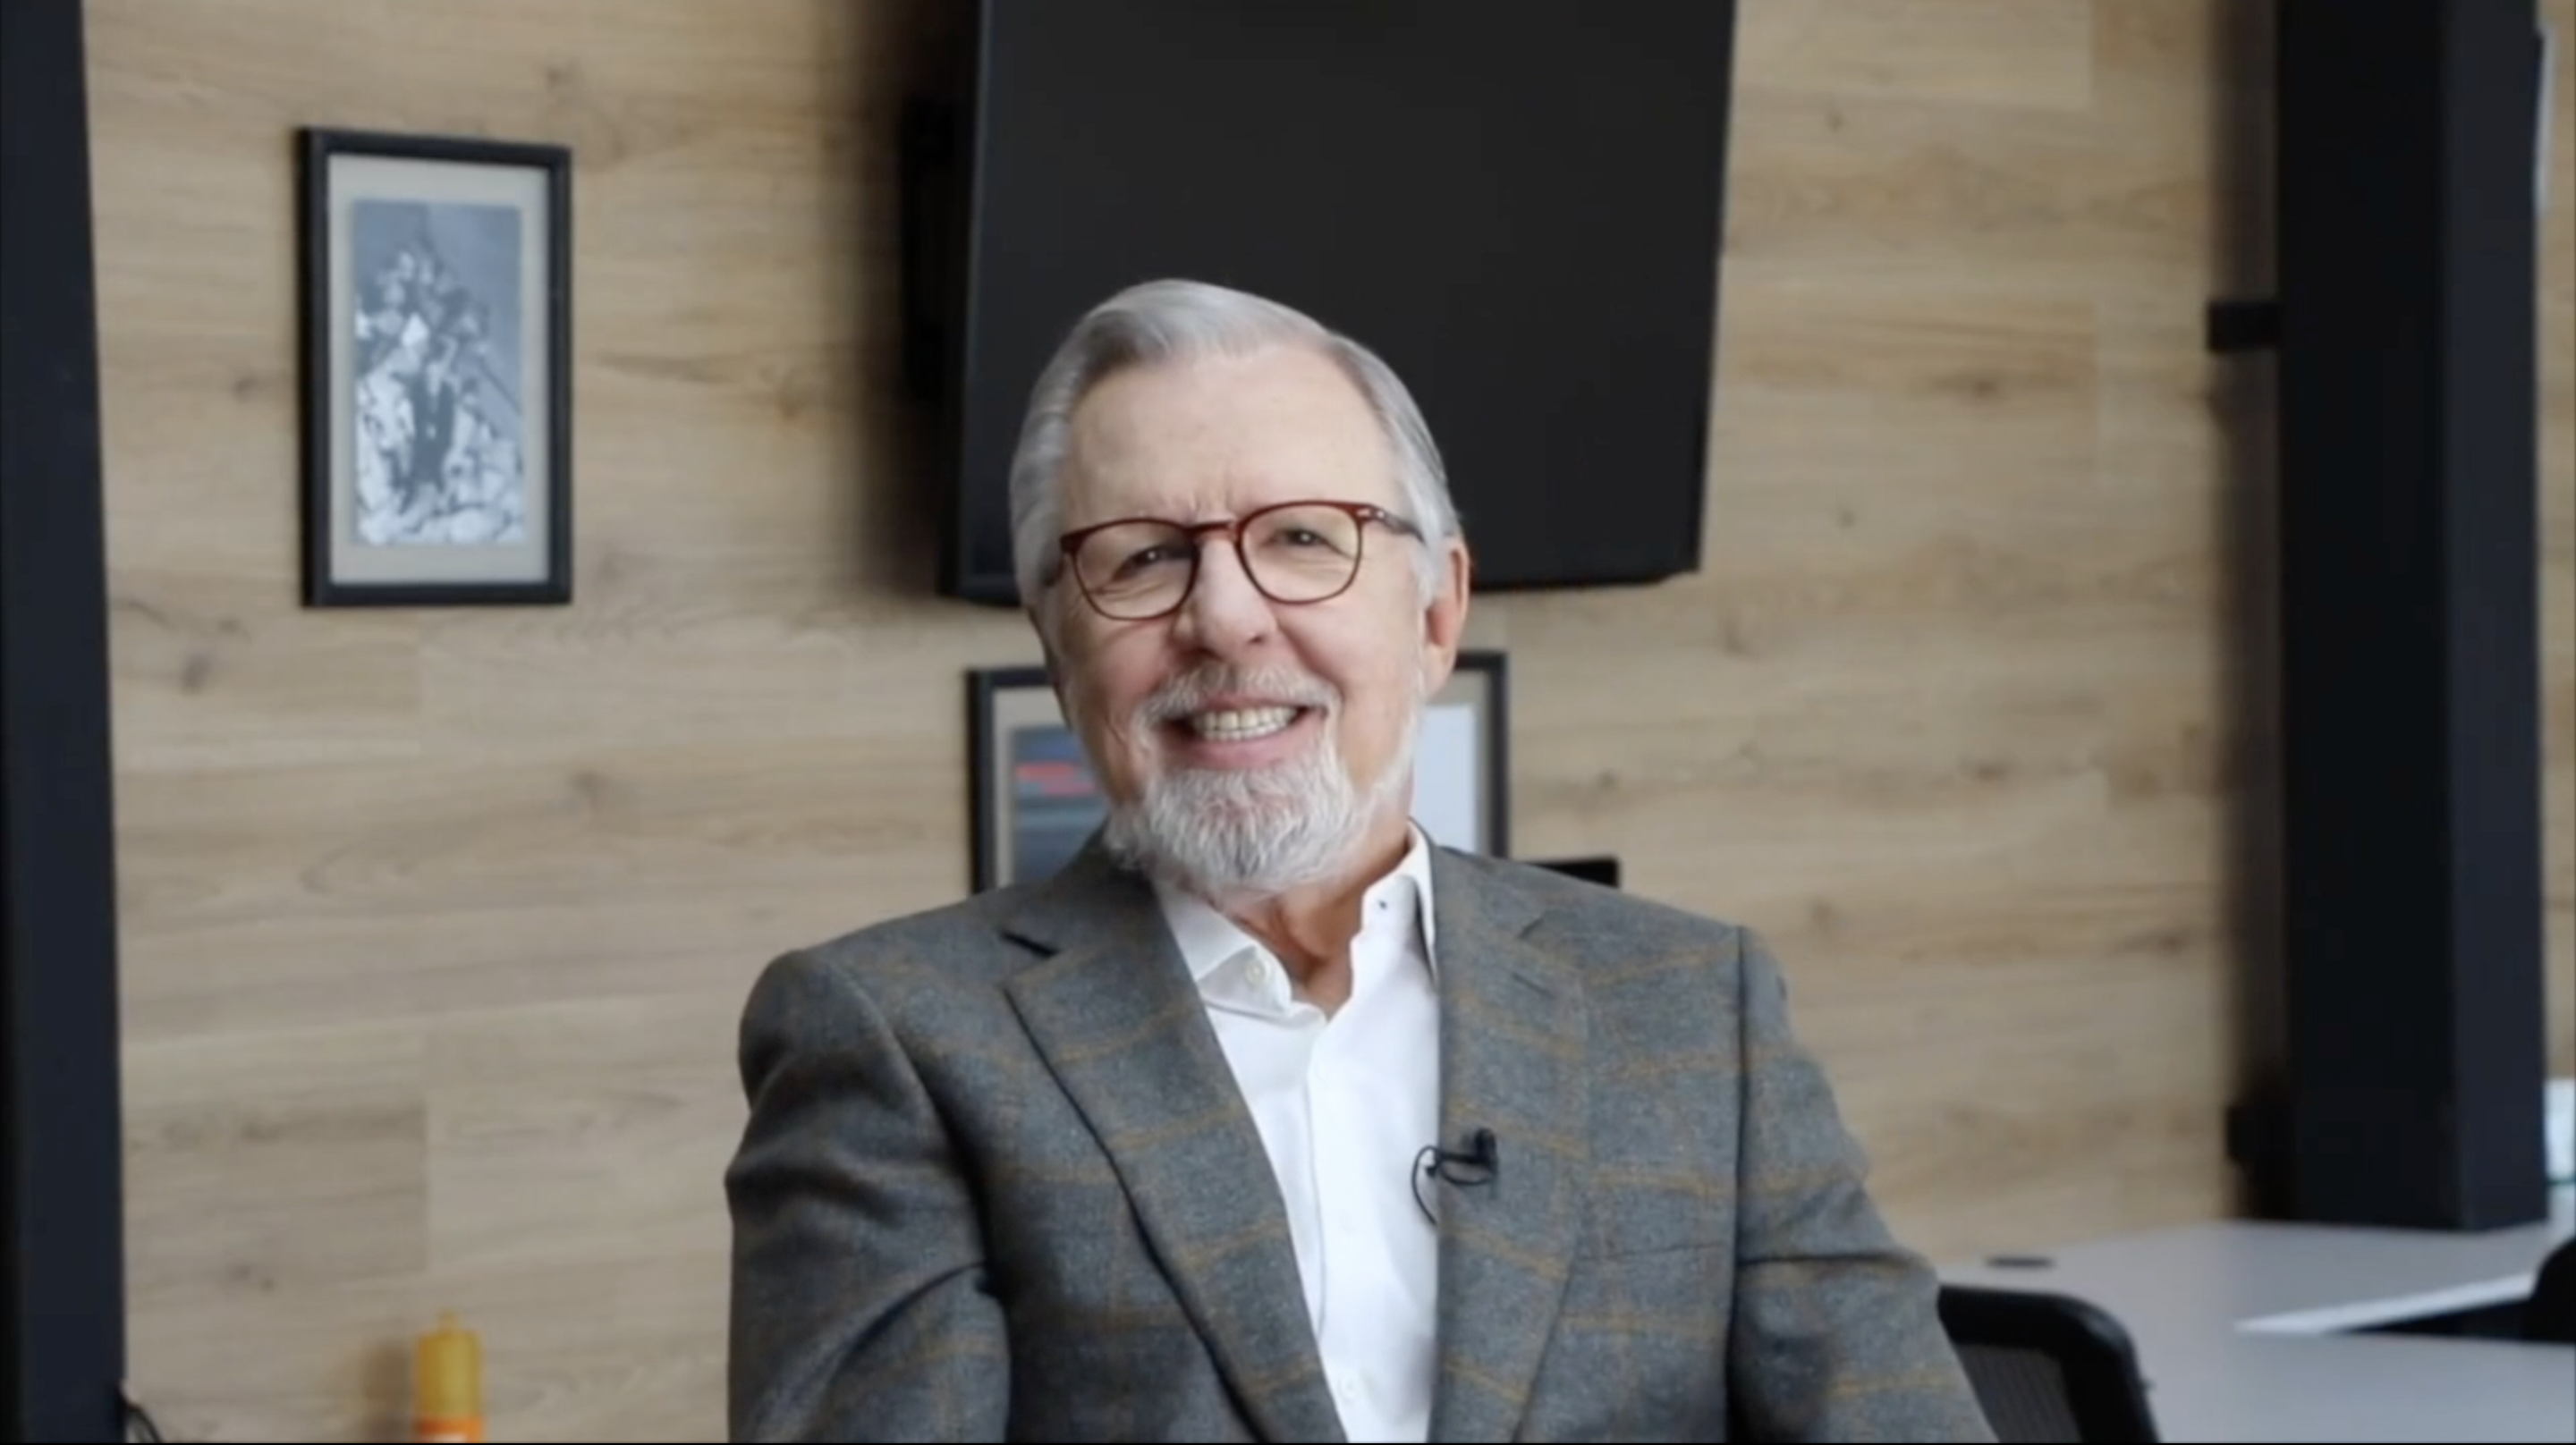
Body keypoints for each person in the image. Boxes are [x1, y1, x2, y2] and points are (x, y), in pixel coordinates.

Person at [724, 279, 1995, 1443]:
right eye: (1145, 556)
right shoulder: (896, 1037)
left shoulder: (1695, 1006)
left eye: (1302, 538)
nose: (1226, 618)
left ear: (1436, 613)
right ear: (1060, 650)